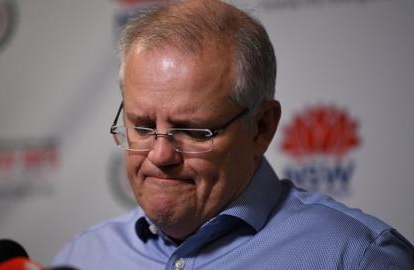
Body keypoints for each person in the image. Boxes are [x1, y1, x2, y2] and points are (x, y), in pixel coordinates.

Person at [53, 0, 414, 269]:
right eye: (143, 127)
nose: (160, 155)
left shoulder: (357, 258)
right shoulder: (83, 256)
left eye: (193, 131)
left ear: (261, 127)